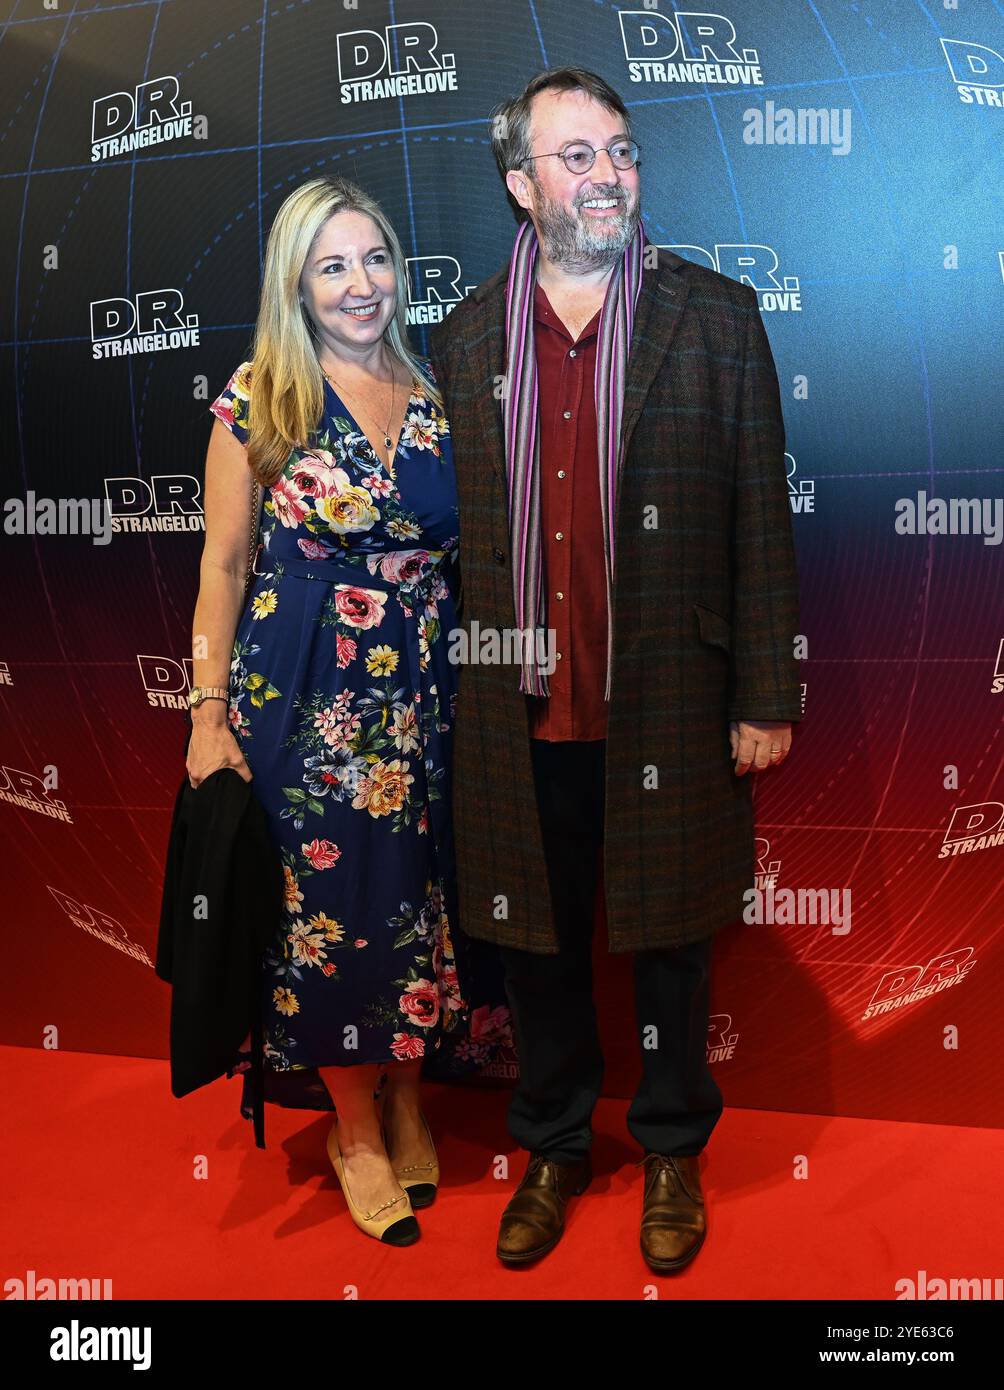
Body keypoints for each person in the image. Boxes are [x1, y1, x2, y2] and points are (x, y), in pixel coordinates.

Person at [429, 67, 802, 1273]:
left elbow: (760, 519)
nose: (605, 175)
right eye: (574, 155)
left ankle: (671, 1147)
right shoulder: (466, 336)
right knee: (534, 946)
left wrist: (762, 694)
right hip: (516, 710)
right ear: (519, 184)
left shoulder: (716, 316)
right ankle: (549, 1143)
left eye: (619, 152)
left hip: (670, 704)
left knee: (672, 944)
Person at [186, 175, 467, 1246]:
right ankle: (353, 1122)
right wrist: (206, 713)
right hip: (306, 691)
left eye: (375, 259)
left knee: (416, 895)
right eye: (332, 266)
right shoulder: (260, 396)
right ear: (295, 286)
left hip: (425, 687)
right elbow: (220, 561)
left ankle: (404, 1090)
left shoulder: (431, 385)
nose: (361, 285)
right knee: (330, 906)